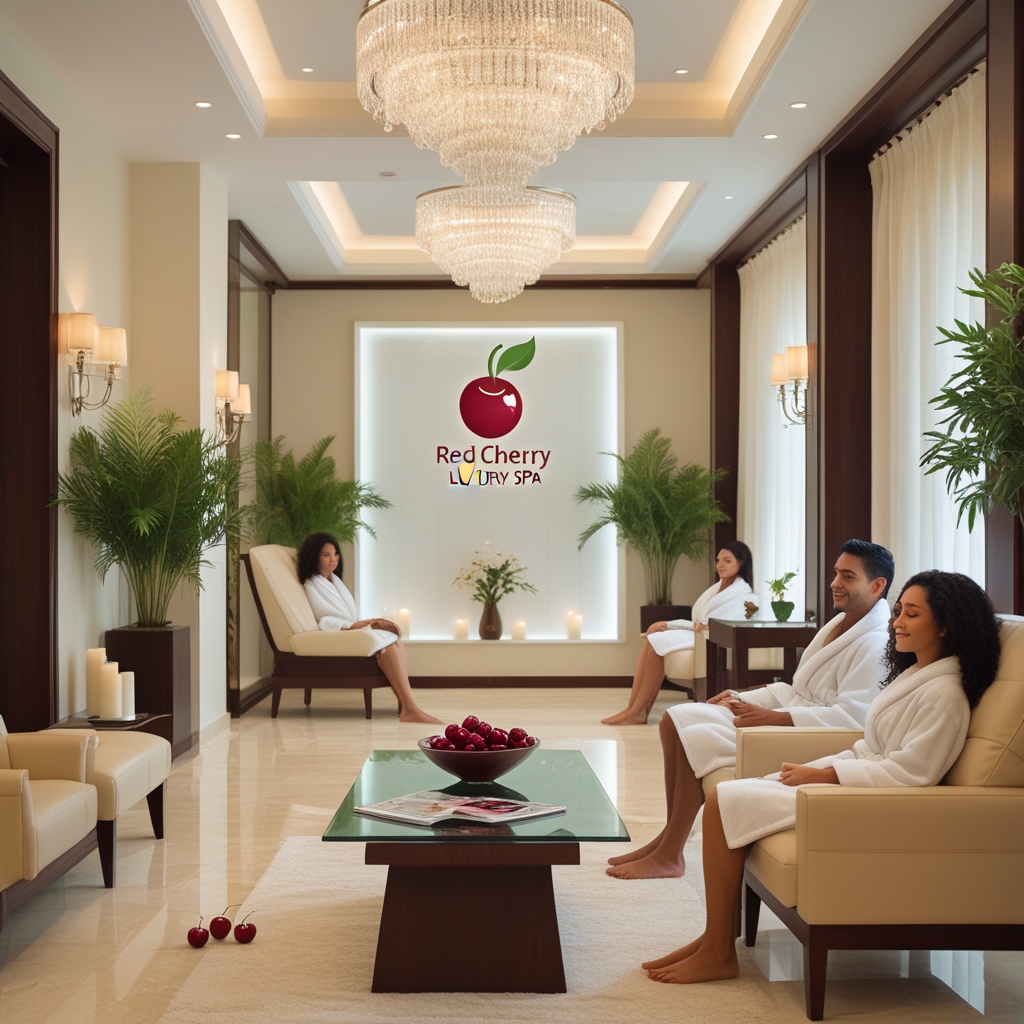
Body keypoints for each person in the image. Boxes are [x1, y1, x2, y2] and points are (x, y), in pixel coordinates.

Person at [643, 570, 1000, 984]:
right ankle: (713, 940)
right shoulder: (918, 677)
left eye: (912, 614)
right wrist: (820, 769)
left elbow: (910, 773)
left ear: (945, 625)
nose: (897, 622)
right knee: (728, 795)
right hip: (853, 784)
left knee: (725, 800)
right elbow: (873, 746)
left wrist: (826, 775)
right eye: (899, 611)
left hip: (867, 802)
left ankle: (719, 952)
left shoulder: (944, 695)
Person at [607, 539, 893, 880]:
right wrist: (744, 696)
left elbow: (853, 718)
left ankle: (670, 853)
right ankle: (669, 838)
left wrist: (776, 718)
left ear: (877, 586)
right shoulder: (839, 626)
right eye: (835, 573)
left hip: (810, 736)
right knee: (674, 719)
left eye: (848, 576)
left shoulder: (875, 642)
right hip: (791, 718)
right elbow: (797, 690)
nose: (835, 583)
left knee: (695, 734)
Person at [602, 541, 759, 726]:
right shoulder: (718, 588)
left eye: (727, 560)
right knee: (652, 638)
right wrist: (668, 624)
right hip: (699, 635)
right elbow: (699, 623)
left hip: (711, 641)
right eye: (718, 560)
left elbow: (720, 624)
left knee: (656, 642)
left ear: (741, 563)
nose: (720, 565)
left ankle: (637, 712)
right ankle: (633, 709)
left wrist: (690, 626)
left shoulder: (744, 594)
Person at [298, 532, 441, 725]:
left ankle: (405, 704)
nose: (333, 559)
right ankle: (410, 708)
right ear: (314, 556)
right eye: (326, 554)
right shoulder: (312, 584)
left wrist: (368, 622)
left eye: (335, 554)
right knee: (387, 646)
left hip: (348, 630)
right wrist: (354, 625)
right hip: (338, 634)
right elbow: (324, 619)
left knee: (395, 642)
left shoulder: (333, 580)